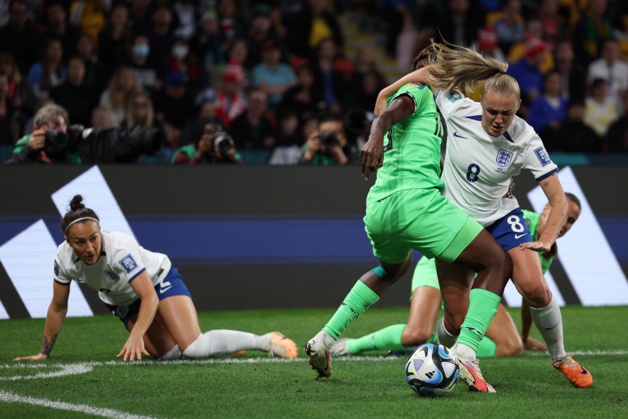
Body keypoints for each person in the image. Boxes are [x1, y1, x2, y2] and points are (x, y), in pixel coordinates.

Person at [372, 41, 592, 389]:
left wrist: (548, 237)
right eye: (492, 111)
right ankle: (442, 357)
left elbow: (558, 198)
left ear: (519, 107)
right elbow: (434, 74)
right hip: (456, 222)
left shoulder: (526, 138)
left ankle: (560, 356)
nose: (498, 120)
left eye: (507, 113)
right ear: (482, 103)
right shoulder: (459, 110)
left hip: (502, 217)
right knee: (457, 321)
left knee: (534, 287)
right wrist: (389, 88)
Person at [304, 47, 514, 393]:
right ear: (421, 68)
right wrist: (373, 137)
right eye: (432, 65)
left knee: (392, 270)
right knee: (496, 261)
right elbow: (386, 116)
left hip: (380, 208)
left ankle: (325, 339)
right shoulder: (415, 92)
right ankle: (465, 351)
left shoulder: (439, 102)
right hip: (417, 204)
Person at [14, 195, 297, 363]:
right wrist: (44, 353)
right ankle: (225, 345)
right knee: (171, 356)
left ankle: (265, 340)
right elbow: (58, 307)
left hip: (158, 281)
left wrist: (137, 333)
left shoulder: (119, 249)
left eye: (93, 238)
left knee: (194, 348)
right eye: (80, 242)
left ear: (101, 232)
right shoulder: (62, 259)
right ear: (67, 241)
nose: (89, 248)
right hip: (124, 302)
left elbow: (149, 295)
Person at [332, 193, 582, 359]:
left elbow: (532, 299)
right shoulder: (520, 222)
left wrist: (526, 335)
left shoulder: (545, 253)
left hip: (474, 285)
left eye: (571, 221)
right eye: (562, 215)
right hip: (439, 265)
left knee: (512, 347)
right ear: (547, 208)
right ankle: (350, 345)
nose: (564, 224)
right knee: (416, 331)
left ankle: (426, 347)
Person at [5, 103, 80, 164]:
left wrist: (72, 148)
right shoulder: (26, 143)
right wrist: (29, 151)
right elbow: (9, 170)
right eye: (54, 128)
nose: (60, 132)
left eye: (63, 125)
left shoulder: (68, 144)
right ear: (36, 129)